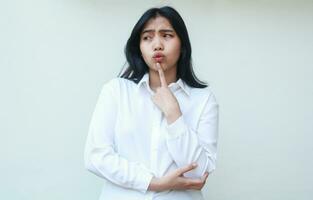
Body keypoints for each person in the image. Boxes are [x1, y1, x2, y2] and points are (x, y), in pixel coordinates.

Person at [84, 6, 219, 200]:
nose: (157, 44)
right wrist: (153, 183)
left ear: (183, 46)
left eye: (167, 35)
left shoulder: (203, 100)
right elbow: (96, 156)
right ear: (139, 48)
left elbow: (199, 174)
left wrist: (174, 114)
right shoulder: (116, 91)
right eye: (147, 37)